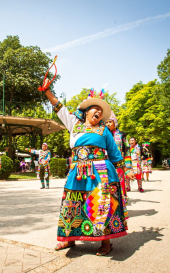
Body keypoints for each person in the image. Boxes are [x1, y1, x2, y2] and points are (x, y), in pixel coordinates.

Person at [40, 78, 134, 256]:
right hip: (77, 171)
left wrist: (126, 169)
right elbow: (59, 106)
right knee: (72, 203)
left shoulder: (104, 130)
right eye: (95, 108)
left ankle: (106, 242)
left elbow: (114, 152)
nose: (98, 111)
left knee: (101, 204)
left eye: (100, 110)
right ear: (85, 112)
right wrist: (47, 91)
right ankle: (68, 238)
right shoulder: (74, 124)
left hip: (101, 171)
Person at [105, 111, 130, 222]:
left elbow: (127, 150)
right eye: (106, 122)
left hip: (119, 166)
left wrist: (128, 167)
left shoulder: (122, 135)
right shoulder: (104, 134)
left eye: (110, 122)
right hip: (107, 165)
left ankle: (121, 210)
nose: (108, 124)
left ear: (115, 123)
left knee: (120, 187)